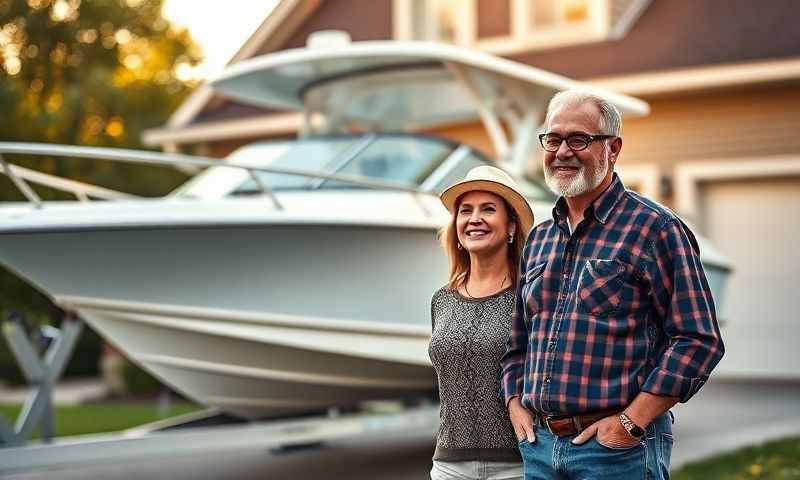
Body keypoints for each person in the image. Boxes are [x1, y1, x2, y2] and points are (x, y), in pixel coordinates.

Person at [500, 90, 725, 480]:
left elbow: (698, 339)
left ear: (613, 148)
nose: (563, 151)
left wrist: (631, 422)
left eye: (579, 139)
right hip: (539, 450)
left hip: (617, 454)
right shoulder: (538, 239)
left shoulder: (655, 229)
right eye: (553, 140)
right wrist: (514, 403)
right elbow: (517, 343)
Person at [429, 165, 535, 480]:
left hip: (517, 464)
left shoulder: (528, 296)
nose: (474, 218)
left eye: (488, 209)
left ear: (511, 226)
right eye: (465, 211)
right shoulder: (441, 300)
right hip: (449, 465)